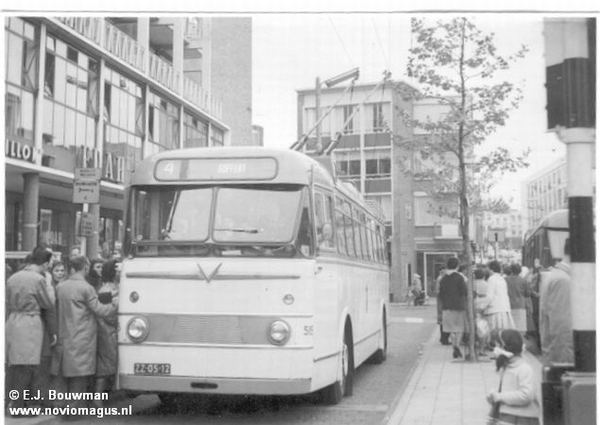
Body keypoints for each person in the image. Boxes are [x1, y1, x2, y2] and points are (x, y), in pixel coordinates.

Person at [51, 255, 117, 410]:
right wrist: (115, 305)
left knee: (63, 373)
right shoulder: (86, 288)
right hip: (82, 335)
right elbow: (100, 310)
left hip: (64, 333)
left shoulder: (61, 286)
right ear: (86, 268)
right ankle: (74, 409)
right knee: (79, 376)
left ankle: (60, 405)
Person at [5, 247, 57, 412]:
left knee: (14, 365)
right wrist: (48, 284)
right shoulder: (38, 279)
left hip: (13, 320)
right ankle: (19, 406)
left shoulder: (13, 277)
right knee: (27, 366)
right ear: (45, 263)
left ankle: (9, 402)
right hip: (30, 322)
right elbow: (48, 303)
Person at [486, 329, 541, 425]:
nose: (496, 349)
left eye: (498, 345)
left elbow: (526, 396)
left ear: (505, 347)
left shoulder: (524, 368)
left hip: (522, 418)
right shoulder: (506, 367)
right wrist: (493, 397)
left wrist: (500, 397)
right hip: (506, 415)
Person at [539, 239, 573, 365]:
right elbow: (562, 328)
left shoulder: (558, 275)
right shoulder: (563, 281)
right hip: (563, 360)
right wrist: (566, 364)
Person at [94, 260, 120, 407]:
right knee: (105, 364)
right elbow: (105, 313)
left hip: (111, 329)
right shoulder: (105, 290)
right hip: (106, 330)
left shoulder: (115, 287)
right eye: (117, 269)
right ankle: (97, 397)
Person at [438, 257, 468, 359]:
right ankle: (457, 346)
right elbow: (464, 291)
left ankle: (455, 347)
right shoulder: (460, 277)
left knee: (451, 329)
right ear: (457, 266)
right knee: (459, 328)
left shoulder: (443, 278)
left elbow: (441, 294)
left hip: (447, 307)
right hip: (459, 306)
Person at [479, 260, 514, 345]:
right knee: (502, 333)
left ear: (491, 269)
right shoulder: (502, 279)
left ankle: (497, 352)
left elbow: (489, 296)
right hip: (504, 309)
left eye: (488, 268)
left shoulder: (491, 279)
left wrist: (481, 307)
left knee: (495, 333)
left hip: (494, 310)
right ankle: (501, 351)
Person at [505, 263, 530, 334]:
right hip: (520, 306)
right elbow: (527, 294)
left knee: (510, 328)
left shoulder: (506, 279)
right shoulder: (523, 280)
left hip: (509, 306)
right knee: (520, 329)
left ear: (511, 270)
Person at [474, 267, 490, 355]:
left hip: (474, 306)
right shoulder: (486, 284)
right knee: (483, 329)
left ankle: (475, 346)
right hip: (484, 308)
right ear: (483, 276)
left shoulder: (472, 284)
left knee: (475, 328)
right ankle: (482, 349)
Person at [434, 267, 450, 345]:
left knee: (442, 321)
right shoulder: (441, 279)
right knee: (444, 321)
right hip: (442, 303)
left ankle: (443, 338)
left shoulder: (440, 278)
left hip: (441, 303)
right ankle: (444, 339)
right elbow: (438, 291)